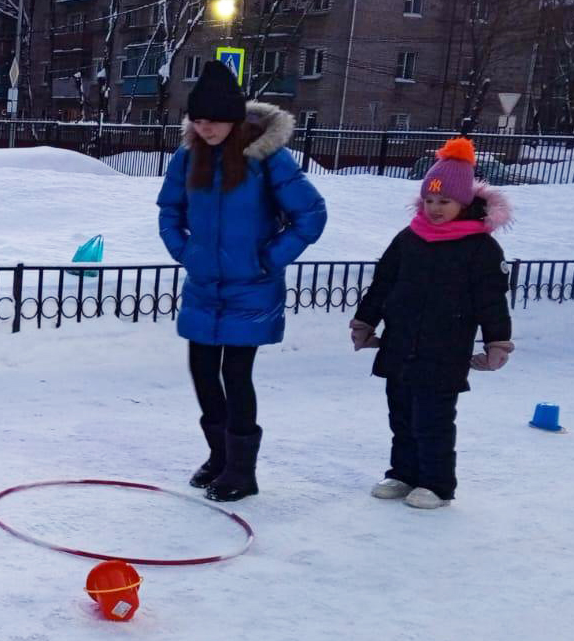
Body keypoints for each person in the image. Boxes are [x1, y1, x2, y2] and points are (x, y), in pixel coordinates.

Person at [156, 61, 328, 502]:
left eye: (212, 118)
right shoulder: (187, 155)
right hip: (203, 286)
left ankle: (241, 470)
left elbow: (310, 214)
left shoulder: (266, 157)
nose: (204, 126)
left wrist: (269, 258)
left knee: (236, 373)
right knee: (202, 371)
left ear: (233, 117)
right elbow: (170, 210)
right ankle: (219, 456)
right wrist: (184, 250)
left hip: (251, 285)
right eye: (197, 118)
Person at [350, 137, 514, 510]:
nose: (436, 208)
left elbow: (491, 300)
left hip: (444, 349)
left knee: (433, 419)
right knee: (402, 414)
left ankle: (437, 484)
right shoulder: (409, 238)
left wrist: (497, 342)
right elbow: (383, 282)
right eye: (430, 200)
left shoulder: (480, 248)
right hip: (400, 343)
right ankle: (402, 474)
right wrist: (365, 320)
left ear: (464, 203)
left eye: (445, 201)